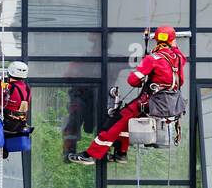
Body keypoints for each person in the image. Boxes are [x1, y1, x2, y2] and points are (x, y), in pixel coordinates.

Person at [68, 27, 185, 165]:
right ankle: (121, 154)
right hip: (167, 102)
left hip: (147, 101)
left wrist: (143, 77)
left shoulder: (152, 59)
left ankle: (91, 155)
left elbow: (133, 80)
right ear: (172, 41)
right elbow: (181, 79)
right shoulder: (178, 58)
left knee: (115, 122)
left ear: (157, 40)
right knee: (126, 124)